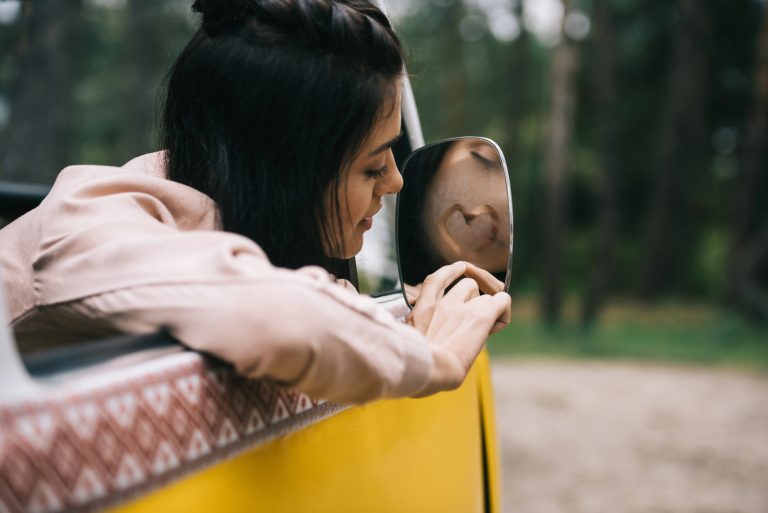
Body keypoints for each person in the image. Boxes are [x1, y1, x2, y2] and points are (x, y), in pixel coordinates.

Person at [0, 0, 510, 404]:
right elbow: (272, 315)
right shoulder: (89, 225)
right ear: (283, 173)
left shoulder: (235, 227)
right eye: (373, 166)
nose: (398, 182)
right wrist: (433, 357)